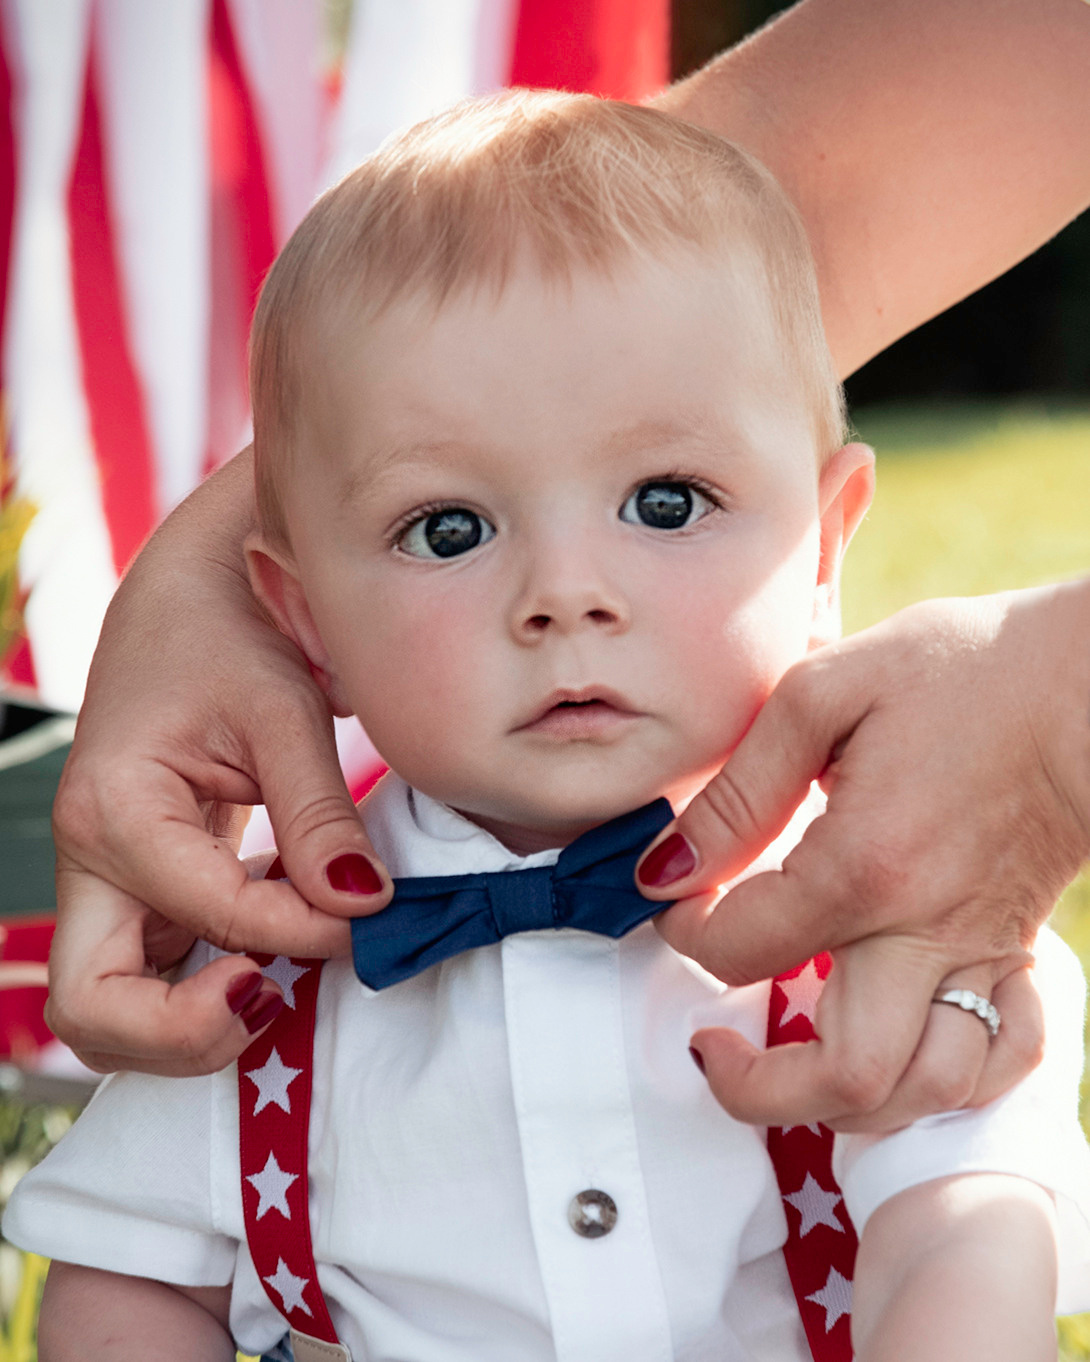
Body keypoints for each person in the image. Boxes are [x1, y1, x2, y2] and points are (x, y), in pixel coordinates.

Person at [10, 92, 1089, 1362]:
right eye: (449, 529)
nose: (565, 595)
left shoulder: (890, 905)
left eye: (667, 500)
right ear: (303, 621)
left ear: (822, 546)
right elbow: (128, 1277)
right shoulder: (258, 978)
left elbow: (958, 1229)